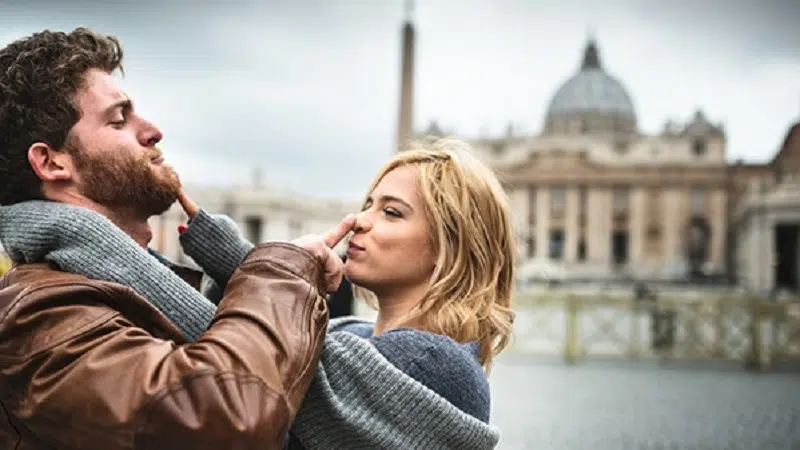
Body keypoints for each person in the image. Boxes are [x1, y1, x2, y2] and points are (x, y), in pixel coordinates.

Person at [3, 138, 517, 448]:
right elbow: (261, 336)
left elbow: (246, 369)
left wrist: (72, 232)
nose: (357, 220)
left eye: (391, 212)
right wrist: (245, 259)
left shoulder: (435, 364)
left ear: (450, 248)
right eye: (368, 202)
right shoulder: (352, 333)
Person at [0, 28, 353, 450]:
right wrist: (282, 269)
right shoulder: (35, 320)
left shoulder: (132, 287)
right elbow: (222, 418)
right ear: (51, 162)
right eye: (119, 119)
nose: (152, 130)